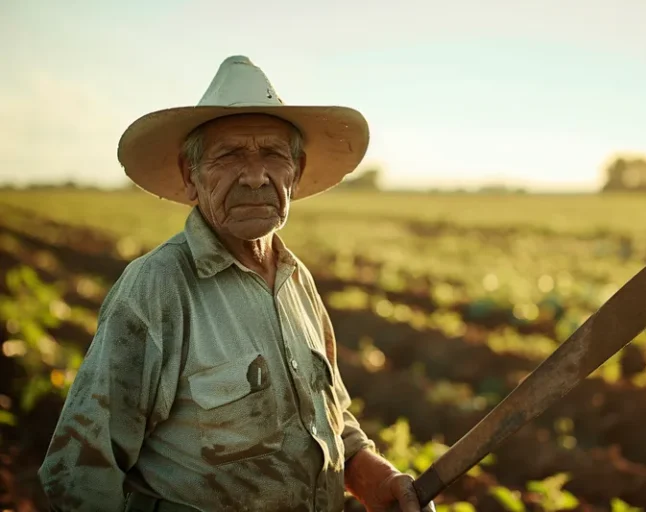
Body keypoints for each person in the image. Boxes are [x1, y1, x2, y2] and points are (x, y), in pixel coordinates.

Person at [38, 55, 435, 512]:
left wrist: (376, 478)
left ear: (296, 171)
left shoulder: (296, 280)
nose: (254, 175)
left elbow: (329, 421)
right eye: (228, 156)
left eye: (272, 154)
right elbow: (79, 471)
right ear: (192, 177)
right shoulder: (158, 288)